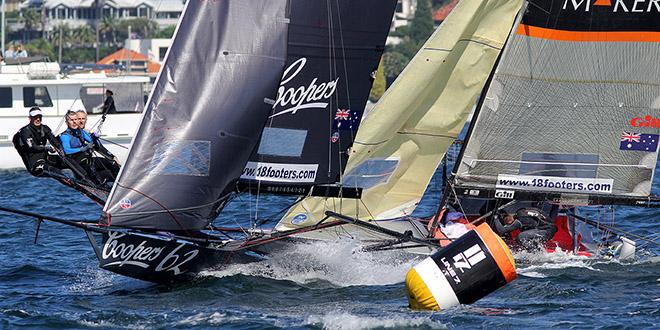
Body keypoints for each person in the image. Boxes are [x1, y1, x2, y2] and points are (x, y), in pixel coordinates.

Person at [12, 107, 64, 177]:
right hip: (35, 165)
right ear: (30, 118)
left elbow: (54, 141)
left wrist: (60, 149)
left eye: (39, 117)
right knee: (55, 171)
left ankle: (82, 179)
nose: (38, 119)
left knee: (71, 161)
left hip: (46, 159)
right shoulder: (25, 131)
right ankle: (69, 181)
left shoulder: (45, 128)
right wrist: (47, 148)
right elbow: (32, 147)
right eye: (35, 117)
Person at [76, 109, 120, 176]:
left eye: (83, 119)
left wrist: (112, 157)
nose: (81, 121)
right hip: (79, 163)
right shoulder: (72, 132)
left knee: (113, 164)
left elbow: (99, 148)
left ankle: (120, 184)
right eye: (79, 119)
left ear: (86, 120)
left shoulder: (89, 133)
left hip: (90, 161)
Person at [493, 208, 558, 249]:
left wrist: (495, 217)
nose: (509, 226)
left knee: (521, 237)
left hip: (546, 230)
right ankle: (536, 250)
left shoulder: (520, 220)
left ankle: (535, 254)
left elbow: (501, 231)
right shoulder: (522, 211)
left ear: (508, 221)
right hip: (549, 228)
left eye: (507, 224)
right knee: (526, 236)